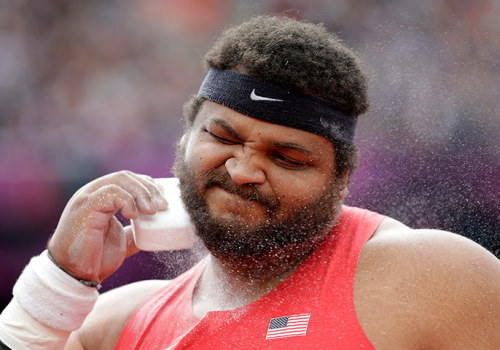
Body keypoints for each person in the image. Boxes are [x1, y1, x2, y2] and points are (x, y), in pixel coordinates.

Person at [1, 15, 499, 350]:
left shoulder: (431, 278)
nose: (242, 170)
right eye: (223, 136)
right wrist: (59, 283)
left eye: (286, 157)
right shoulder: (114, 325)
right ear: (184, 140)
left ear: (341, 180)